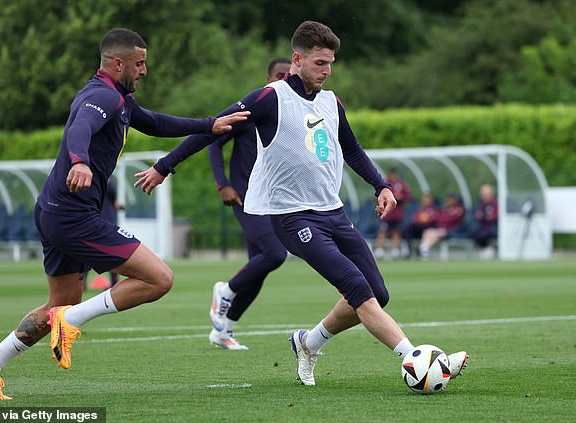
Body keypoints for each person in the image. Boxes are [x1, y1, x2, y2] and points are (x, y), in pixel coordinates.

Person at [134, 21, 467, 386]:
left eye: (330, 64)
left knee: (378, 293)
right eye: (320, 63)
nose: (327, 70)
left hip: (333, 213)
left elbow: (352, 149)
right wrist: (164, 166)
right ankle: (416, 359)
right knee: (357, 288)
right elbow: (215, 127)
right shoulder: (269, 97)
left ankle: (308, 343)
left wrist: (380, 185)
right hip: (293, 218)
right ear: (297, 59)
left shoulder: (330, 100)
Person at [0, 28, 249, 400]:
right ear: (118, 64)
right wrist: (79, 161)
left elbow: (156, 123)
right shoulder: (102, 97)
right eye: (139, 63)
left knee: (58, 306)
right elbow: (80, 128)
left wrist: (207, 125)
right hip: (72, 214)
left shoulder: (119, 98)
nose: (144, 70)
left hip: (54, 211)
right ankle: (72, 321)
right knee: (159, 279)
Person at [206, 58, 291, 350]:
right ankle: (225, 290)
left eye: (289, 76)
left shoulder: (290, 113)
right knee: (275, 254)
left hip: (274, 200)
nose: (284, 79)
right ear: (267, 77)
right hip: (245, 197)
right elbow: (213, 143)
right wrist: (223, 184)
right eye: (279, 75)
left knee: (262, 265)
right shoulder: (249, 110)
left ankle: (224, 330)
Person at [374, 168, 411, 260]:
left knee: (396, 232)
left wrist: (400, 197)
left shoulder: (401, 184)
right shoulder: (385, 183)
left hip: (397, 214)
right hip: (387, 213)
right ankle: (379, 251)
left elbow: (407, 197)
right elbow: (377, 195)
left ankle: (395, 251)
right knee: (383, 231)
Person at [418, 193, 466, 259]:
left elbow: (448, 219)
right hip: (441, 229)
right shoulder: (445, 209)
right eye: (449, 199)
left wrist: (441, 218)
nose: (449, 201)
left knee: (439, 232)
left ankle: (424, 249)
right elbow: (439, 218)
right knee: (428, 231)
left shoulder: (459, 210)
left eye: (451, 199)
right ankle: (424, 248)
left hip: (453, 231)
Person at [403, 192, 439, 258]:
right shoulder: (420, 210)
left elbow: (432, 221)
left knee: (426, 230)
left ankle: (421, 251)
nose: (426, 200)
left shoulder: (434, 210)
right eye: (424, 198)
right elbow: (415, 220)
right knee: (407, 228)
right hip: (418, 229)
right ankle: (408, 249)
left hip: (428, 229)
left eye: (427, 198)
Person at [470, 183, 498, 259]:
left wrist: (483, 217)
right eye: (482, 195)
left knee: (483, 234)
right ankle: (486, 249)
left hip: (493, 227)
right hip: (483, 227)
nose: (482, 197)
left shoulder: (495, 204)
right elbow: (477, 215)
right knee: (473, 233)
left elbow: (493, 217)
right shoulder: (481, 204)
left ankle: (488, 250)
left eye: (484, 195)